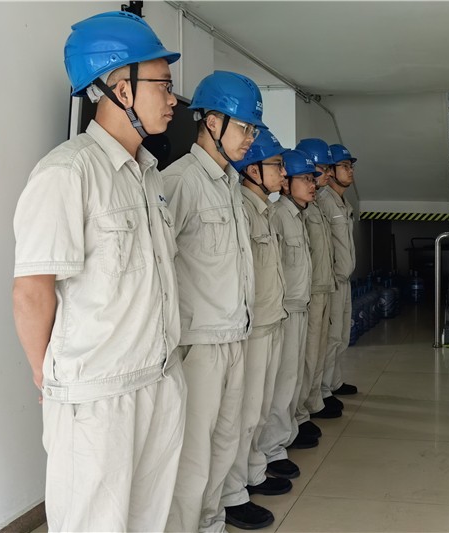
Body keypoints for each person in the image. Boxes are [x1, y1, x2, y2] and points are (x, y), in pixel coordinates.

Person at [12, 11, 185, 531]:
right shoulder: (68, 172)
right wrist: (48, 375)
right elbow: (32, 290)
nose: (173, 99)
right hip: (97, 397)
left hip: (157, 378)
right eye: (163, 84)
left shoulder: (148, 175)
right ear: (121, 90)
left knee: (149, 519)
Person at [163, 70, 265, 532]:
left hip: (234, 334)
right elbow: (158, 266)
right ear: (211, 122)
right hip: (198, 343)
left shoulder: (229, 185)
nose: (250, 139)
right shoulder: (178, 181)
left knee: (225, 441)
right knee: (194, 452)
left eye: (253, 129)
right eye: (244, 127)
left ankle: (211, 522)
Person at [221, 130, 291, 530]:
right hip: (249, 329)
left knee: (259, 408)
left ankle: (252, 472)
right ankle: (233, 493)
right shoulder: (243, 210)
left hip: (269, 319)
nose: (283, 173)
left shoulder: (263, 210)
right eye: (276, 165)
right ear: (251, 171)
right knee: (243, 414)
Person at [268, 150, 319, 467]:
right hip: (284, 311)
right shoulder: (278, 215)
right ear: (287, 184)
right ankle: (273, 448)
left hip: (300, 307)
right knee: (283, 381)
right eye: (306, 179)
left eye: (313, 179)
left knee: (294, 377)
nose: (313, 185)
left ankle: (287, 432)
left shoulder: (298, 216)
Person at [295, 138, 342, 421]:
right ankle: (303, 409)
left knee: (321, 348)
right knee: (308, 353)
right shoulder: (298, 210)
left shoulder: (317, 205)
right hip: (310, 292)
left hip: (324, 286)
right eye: (323, 168)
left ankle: (314, 401)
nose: (326, 174)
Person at [319, 144, 359, 398]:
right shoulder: (323, 200)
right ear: (331, 171)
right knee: (331, 337)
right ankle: (323, 391)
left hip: (344, 280)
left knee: (342, 335)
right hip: (331, 281)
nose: (350, 170)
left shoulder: (343, 203)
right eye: (344, 166)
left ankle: (334, 382)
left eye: (350, 166)